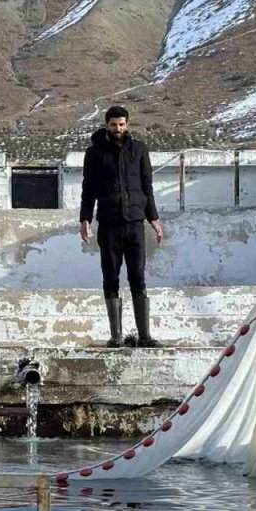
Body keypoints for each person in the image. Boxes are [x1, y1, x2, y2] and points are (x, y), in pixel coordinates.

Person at [79, 106, 165, 348]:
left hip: (135, 223)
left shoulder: (139, 150)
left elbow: (147, 187)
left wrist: (154, 219)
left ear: (127, 124)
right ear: (107, 125)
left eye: (121, 124)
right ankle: (116, 336)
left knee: (138, 276)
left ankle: (145, 336)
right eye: (113, 124)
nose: (117, 129)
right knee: (111, 277)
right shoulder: (95, 153)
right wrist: (85, 219)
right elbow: (89, 189)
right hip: (108, 224)